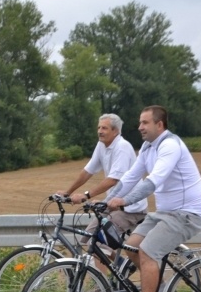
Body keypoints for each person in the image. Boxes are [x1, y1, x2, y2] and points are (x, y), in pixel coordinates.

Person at [107, 105, 201, 292]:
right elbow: (130, 177)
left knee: (148, 251)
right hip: (164, 213)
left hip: (186, 214)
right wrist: (107, 200)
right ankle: (161, 291)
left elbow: (153, 181)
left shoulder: (170, 146)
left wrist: (123, 201)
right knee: (131, 247)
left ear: (159, 124)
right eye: (140, 122)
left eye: (145, 122)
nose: (140, 127)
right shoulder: (147, 147)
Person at [57, 113, 148, 265]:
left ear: (115, 131)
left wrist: (86, 195)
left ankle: (101, 288)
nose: (100, 131)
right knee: (88, 238)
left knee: (99, 242)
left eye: (104, 128)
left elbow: (113, 180)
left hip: (130, 208)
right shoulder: (102, 145)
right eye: (99, 127)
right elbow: (88, 171)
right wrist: (68, 192)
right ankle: (122, 264)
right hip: (112, 204)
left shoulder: (122, 147)